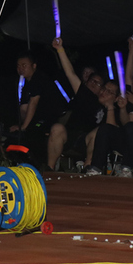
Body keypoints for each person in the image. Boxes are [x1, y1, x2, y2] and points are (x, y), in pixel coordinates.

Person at [47, 37, 104, 171]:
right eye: (92, 80)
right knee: (57, 128)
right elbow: (70, 73)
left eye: (98, 83)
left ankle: (88, 168)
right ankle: (50, 169)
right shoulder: (83, 93)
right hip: (71, 135)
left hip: (89, 139)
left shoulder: (106, 103)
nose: (93, 83)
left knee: (99, 133)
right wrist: (60, 49)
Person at [9, 51, 63, 168]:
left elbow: (33, 103)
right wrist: (20, 124)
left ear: (34, 66)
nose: (21, 69)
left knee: (32, 134)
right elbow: (24, 108)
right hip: (37, 119)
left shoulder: (38, 79)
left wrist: (24, 127)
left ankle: (42, 167)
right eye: (18, 66)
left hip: (48, 119)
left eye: (24, 65)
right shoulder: (27, 83)